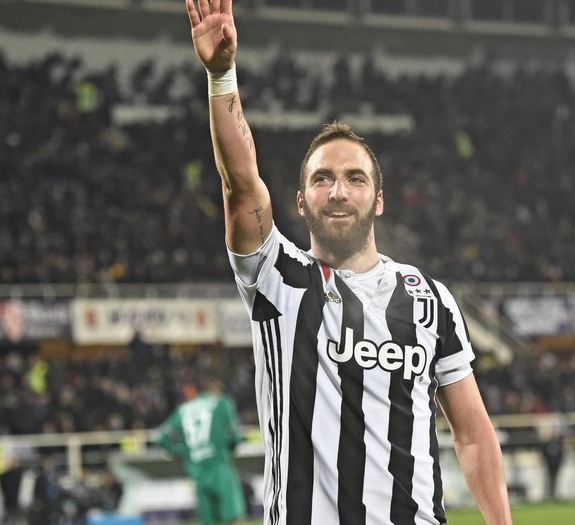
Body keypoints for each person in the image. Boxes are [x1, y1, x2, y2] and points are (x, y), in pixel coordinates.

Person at [182, 1, 513, 523]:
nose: (338, 191)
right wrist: (222, 76)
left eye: (355, 179)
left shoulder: (430, 300)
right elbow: (240, 184)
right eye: (322, 179)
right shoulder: (277, 279)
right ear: (300, 202)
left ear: (378, 200)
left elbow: (472, 433)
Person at [153, 380, 246, 525]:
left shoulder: (183, 410)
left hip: (197, 472)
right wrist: (227, 448)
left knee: (209, 521)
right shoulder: (222, 403)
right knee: (233, 516)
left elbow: (160, 438)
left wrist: (183, 452)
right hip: (220, 466)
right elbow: (235, 436)